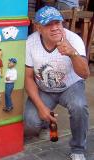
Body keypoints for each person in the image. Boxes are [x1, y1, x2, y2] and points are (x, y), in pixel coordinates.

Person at [24, 6, 90, 160]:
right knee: (30, 124)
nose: (55, 28)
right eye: (48, 24)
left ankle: (78, 149)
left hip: (70, 86)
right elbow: (28, 77)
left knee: (79, 106)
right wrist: (41, 107)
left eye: (58, 23)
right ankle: (47, 121)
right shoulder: (31, 42)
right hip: (44, 88)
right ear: (38, 27)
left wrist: (72, 54)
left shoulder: (73, 39)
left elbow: (85, 74)